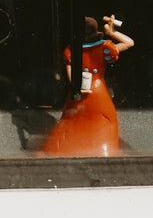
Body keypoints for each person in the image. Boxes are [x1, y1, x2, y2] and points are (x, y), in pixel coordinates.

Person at [41, 15, 134, 156]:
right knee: (100, 122)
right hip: (98, 91)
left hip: (80, 92)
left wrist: (77, 86)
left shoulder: (72, 50)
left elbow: (70, 72)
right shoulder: (104, 47)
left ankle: (63, 148)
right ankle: (100, 148)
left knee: (73, 120)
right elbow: (129, 43)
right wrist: (111, 32)